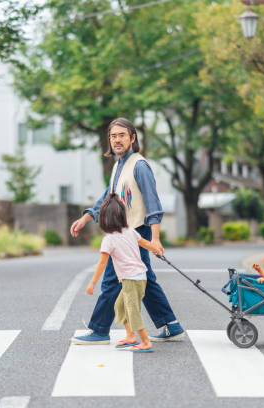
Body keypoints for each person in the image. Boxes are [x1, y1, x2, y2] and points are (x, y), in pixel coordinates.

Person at [70, 117, 184, 345]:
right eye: (113, 136)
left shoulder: (139, 166)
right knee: (144, 277)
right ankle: (170, 324)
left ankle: (100, 329)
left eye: (122, 135)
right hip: (125, 233)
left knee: (113, 279)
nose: (117, 140)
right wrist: (86, 216)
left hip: (135, 232)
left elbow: (153, 204)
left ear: (132, 138)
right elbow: (107, 197)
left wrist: (156, 239)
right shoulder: (118, 166)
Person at [86, 193, 161, 352]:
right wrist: (156, 249)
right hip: (139, 277)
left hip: (131, 280)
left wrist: (92, 283)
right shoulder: (130, 231)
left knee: (132, 310)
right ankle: (130, 336)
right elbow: (145, 243)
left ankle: (145, 341)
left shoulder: (109, 239)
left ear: (104, 219)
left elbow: (102, 264)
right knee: (120, 306)